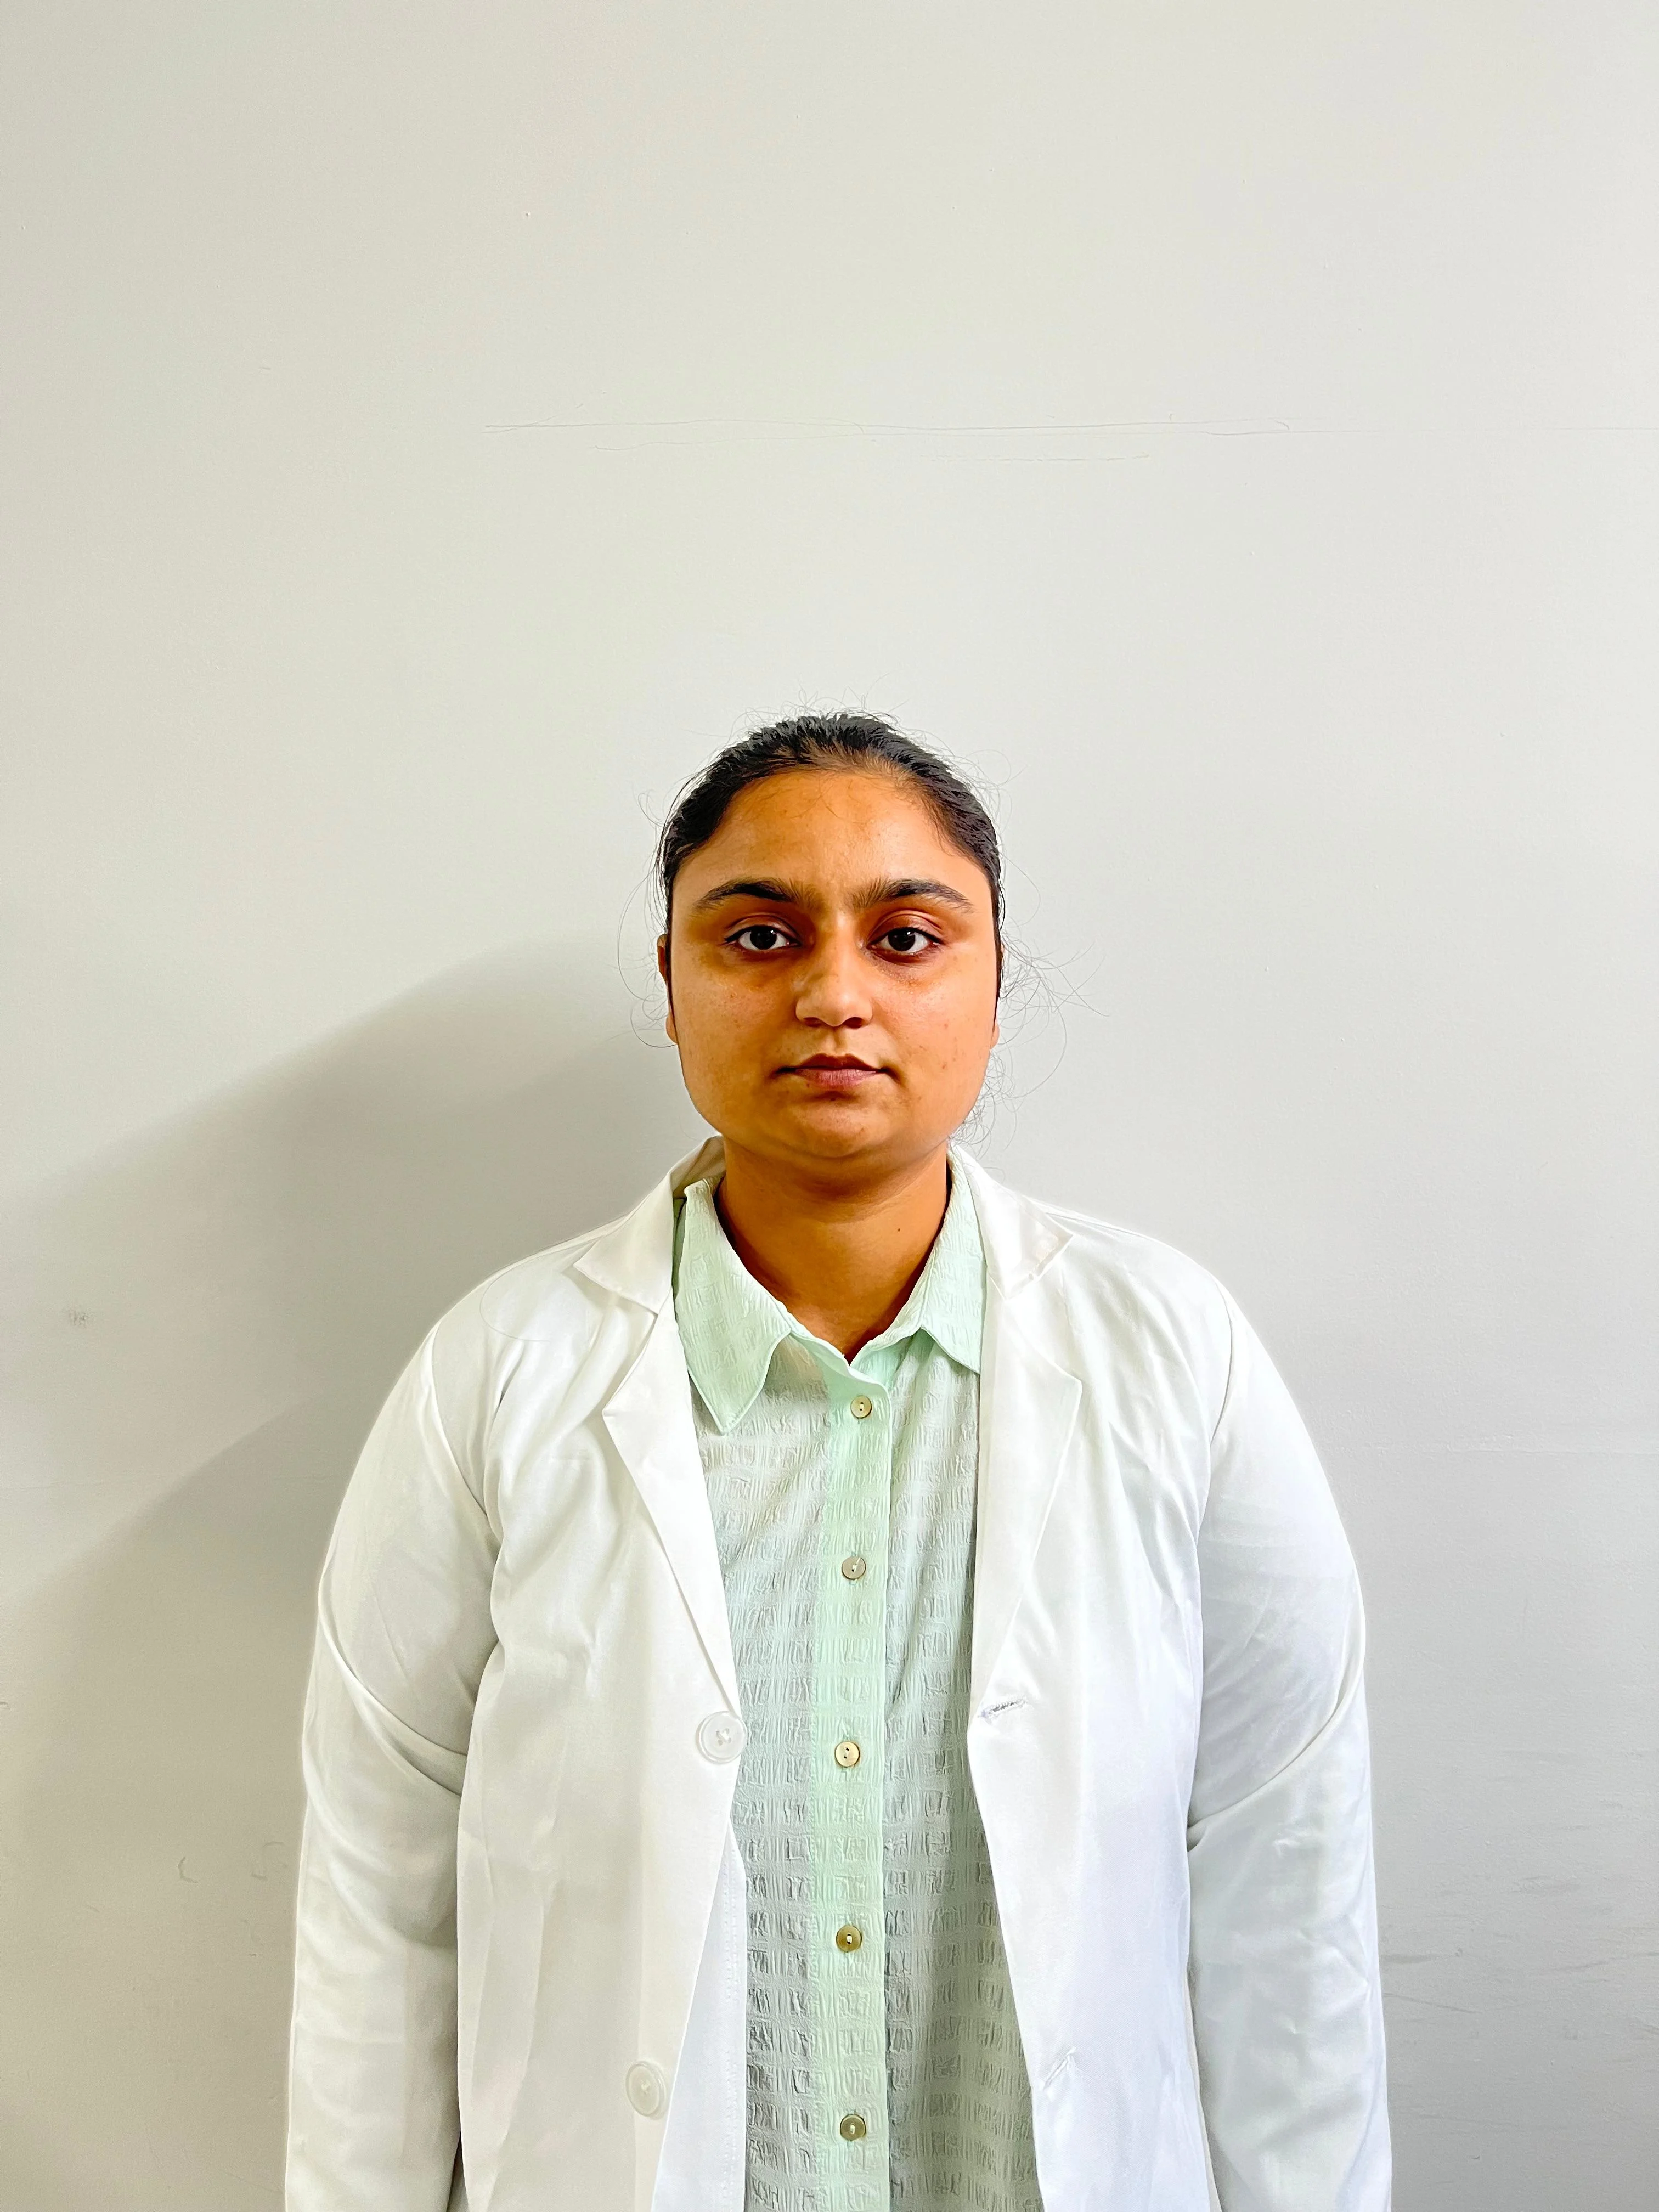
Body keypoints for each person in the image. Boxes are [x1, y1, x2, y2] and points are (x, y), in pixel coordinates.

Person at [285, 712, 1391, 2212]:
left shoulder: (1174, 1358)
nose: (832, 993)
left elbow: (1292, 1893)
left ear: (995, 986)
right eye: (757, 935)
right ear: (673, 990)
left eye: (908, 936)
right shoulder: (495, 1377)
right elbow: (375, 1903)